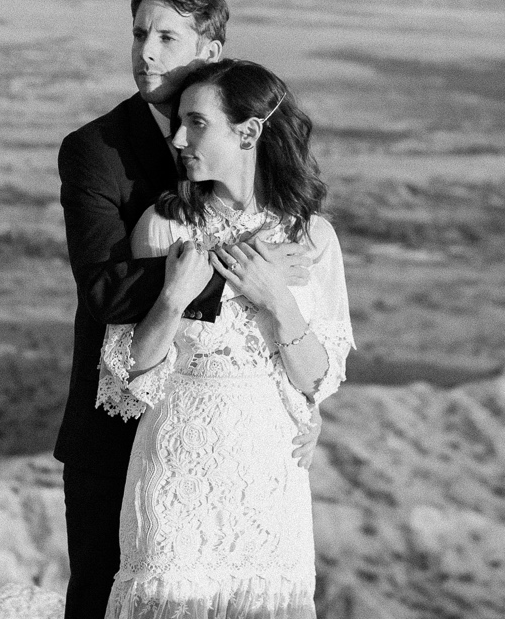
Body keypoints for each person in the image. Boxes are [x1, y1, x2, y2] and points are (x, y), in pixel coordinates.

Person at [56, 0, 317, 619]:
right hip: (119, 428)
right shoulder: (96, 150)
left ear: (210, 49)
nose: (145, 51)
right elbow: (102, 291)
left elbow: (306, 325)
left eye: (166, 37)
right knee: (104, 598)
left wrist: (302, 399)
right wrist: (238, 273)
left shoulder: (245, 136)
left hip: (242, 452)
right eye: (140, 33)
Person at [97, 59, 353, 619]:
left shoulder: (313, 238)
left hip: (271, 478)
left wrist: (276, 298)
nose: (177, 137)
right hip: (176, 473)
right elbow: (125, 379)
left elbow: (317, 376)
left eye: (196, 123)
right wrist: (171, 298)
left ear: (249, 131)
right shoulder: (163, 227)